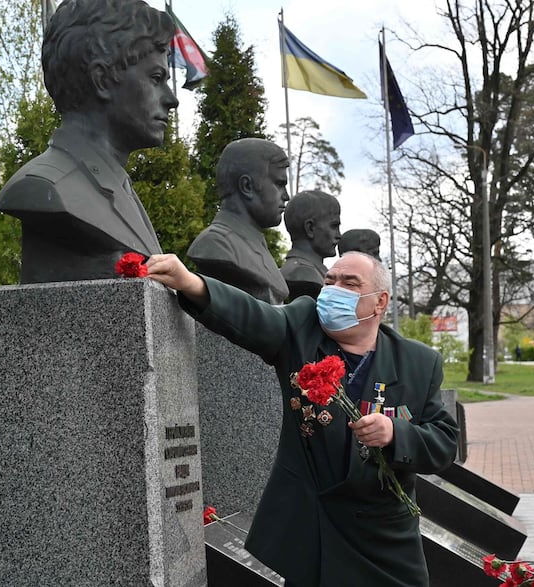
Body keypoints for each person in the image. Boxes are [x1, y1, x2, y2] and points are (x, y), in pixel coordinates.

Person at [147, 251, 458, 587]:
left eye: (349, 284)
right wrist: (190, 282)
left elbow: (444, 443)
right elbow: (255, 317)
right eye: (330, 281)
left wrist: (396, 433)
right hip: (313, 538)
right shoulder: (303, 327)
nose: (334, 290)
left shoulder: (419, 363)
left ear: (379, 302)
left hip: (383, 540)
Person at [0, 0, 178, 284]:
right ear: (102, 79)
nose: (171, 99)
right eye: (156, 78)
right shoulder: (44, 186)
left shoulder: (118, 186)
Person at [187, 138, 290, 304]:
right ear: (247, 186)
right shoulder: (216, 244)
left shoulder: (253, 244)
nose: (286, 196)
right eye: (279, 184)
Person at [280, 190, 342, 301]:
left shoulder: (314, 271)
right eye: (334, 226)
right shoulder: (302, 273)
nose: (339, 235)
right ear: (310, 228)